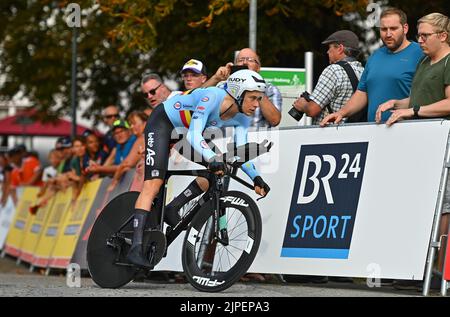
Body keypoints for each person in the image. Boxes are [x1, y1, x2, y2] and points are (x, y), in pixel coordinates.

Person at [127, 69, 270, 268]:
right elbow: (195, 135)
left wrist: (256, 177)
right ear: (238, 92)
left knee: (217, 170)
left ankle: (174, 207)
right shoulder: (212, 96)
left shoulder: (242, 117)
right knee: (153, 184)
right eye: (253, 98)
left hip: (183, 133)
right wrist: (212, 159)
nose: (257, 104)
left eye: (260, 99)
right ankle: (135, 247)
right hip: (163, 124)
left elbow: (240, 152)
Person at [375, 13, 450, 290]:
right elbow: (420, 97)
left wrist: (413, 111)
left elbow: (448, 103)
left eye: (425, 35)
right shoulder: (423, 60)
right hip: (420, 145)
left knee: (442, 208)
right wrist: (398, 101)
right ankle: (415, 267)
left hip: (444, 143)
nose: (419, 40)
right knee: (418, 204)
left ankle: (437, 271)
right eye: (418, 35)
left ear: (442, 36)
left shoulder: (449, 61)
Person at [320, 7, 424, 126]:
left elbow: (428, 96)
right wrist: (341, 113)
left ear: (405, 28)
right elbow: (362, 93)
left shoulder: (420, 53)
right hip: (373, 130)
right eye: (384, 29)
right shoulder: (375, 56)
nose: (388, 34)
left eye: (393, 28)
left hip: (408, 129)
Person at [291, 30, 364, 125]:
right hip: (357, 132)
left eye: (330, 47)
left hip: (330, 134)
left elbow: (312, 110)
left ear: (340, 48)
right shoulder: (363, 71)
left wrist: (302, 104)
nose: (327, 51)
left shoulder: (333, 70)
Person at [204, 48, 282, 127]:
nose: (245, 62)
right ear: (234, 66)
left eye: (250, 60)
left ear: (258, 68)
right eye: (241, 60)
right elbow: (195, 102)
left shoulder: (270, 89)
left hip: (255, 137)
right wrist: (216, 78)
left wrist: (257, 88)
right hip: (224, 136)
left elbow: (275, 120)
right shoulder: (223, 86)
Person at [108, 111, 148, 191]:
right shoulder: (144, 138)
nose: (132, 127)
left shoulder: (142, 138)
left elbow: (126, 164)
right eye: (130, 124)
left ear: (145, 123)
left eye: (134, 123)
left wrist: (114, 182)